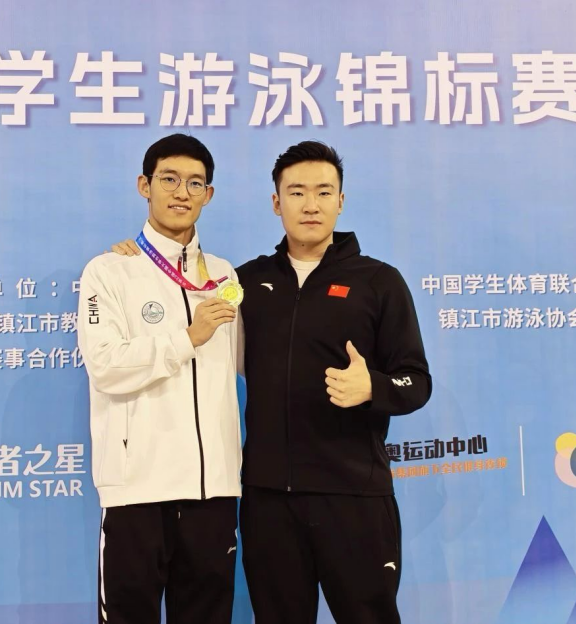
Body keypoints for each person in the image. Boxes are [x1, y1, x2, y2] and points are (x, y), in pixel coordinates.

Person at [111, 140, 431, 624]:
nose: (311, 204)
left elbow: (416, 381)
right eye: (297, 192)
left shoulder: (379, 282)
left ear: (341, 201)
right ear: (277, 202)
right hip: (268, 502)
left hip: (354, 497)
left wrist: (374, 389)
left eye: (324, 192)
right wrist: (133, 257)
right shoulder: (244, 283)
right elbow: (185, 304)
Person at [77, 133, 242, 624]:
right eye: (169, 179)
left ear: (209, 194)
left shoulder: (226, 276)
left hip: (213, 491)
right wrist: (186, 338)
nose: (182, 192)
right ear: (144, 185)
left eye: (195, 183)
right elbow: (105, 365)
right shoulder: (109, 271)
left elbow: (248, 363)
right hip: (137, 490)